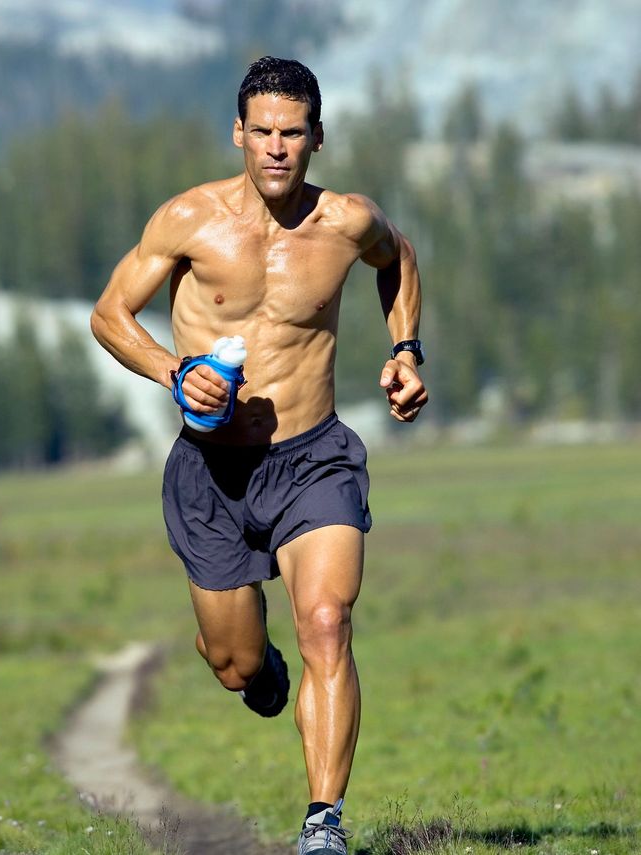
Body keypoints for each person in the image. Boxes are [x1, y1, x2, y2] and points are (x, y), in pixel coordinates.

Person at [91, 56, 427, 855]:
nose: (277, 148)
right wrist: (174, 370)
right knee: (236, 664)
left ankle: (322, 826)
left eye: (294, 133)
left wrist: (406, 349)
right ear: (238, 133)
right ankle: (260, 670)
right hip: (211, 474)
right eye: (263, 132)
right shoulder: (187, 221)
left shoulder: (346, 221)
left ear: (317, 138)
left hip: (313, 461)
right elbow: (109, 314)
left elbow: (400, 259)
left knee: (326, 621)